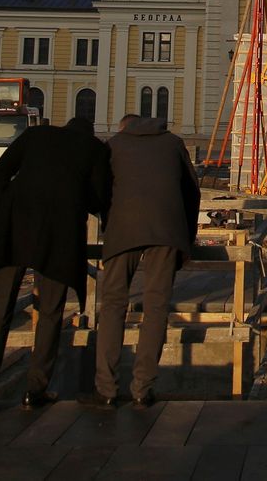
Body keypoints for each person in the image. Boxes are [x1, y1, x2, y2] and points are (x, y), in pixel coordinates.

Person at [0, 116, 108, 413]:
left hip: (15, 229)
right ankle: (35, 389)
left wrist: (5, 208)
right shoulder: (93, 149)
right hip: (59, 236)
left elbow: (0, 172)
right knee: (50, 313)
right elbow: (99, 199)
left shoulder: (36, 135)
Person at [83, 114, 200, 409]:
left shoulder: (114, 145)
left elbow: (98, 189)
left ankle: (106, 389)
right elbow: (192, 192)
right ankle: (142, 389)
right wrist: (186, 235)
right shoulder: (174, 144)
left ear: (124, 127)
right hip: (166, 230)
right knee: (156, 307)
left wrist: (109, 220)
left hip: (123, 230)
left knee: (112, 305)